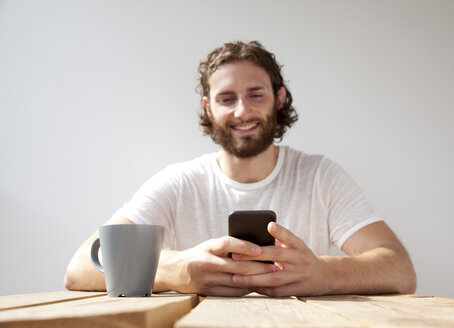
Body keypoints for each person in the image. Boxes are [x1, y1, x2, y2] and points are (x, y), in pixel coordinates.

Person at [65, 41, 417, 297]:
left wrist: (323, 272)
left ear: (279, 98)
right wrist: (176, 270)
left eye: (255, 94)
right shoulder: (179, 183)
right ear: (208, 108)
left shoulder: (320, 176)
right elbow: (80, 267)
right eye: (226, 98)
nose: (242, 112)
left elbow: (400, 269)